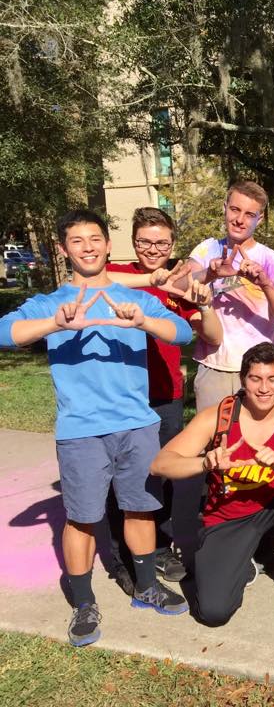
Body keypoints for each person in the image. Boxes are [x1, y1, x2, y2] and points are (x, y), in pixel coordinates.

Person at [0, 209, 193, 646]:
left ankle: (146, 587)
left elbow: (181, 333)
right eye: (77, 240)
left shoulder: (132, 297)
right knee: (83, 519)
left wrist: (142, 321)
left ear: (108, 245)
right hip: (81, 429)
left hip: (137, 424)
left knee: (140, 509)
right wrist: (57, 324)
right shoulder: (52, 302)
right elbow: (4, 332)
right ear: (66, 248)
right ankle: (84, 603)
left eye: (94, 239)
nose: (87, 247)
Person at [151, 343, 274, 624]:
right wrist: (205, 463)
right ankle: (242, 553)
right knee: (213, 613)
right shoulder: (218, 416)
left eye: (272, 379)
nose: (264, 388)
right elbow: (160, 464)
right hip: (229, 517)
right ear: (242, 380)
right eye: (255, 378)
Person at [104, 206, 222, 591]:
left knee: (164, 471)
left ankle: (160, 542)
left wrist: (203, 301)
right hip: (122, 395)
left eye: (162, 243)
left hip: (166, 393)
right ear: (133, 243)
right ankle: (128, 551)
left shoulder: (180, 280)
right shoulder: (119, 275)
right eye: (145, 242)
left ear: (172, 244)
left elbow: (214, 336)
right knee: (122, 474)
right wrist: (147, 279)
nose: (153, 249)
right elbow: (96, 278)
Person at [185, 180, 274, 411]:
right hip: (214, 366)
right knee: (213, 440)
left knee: (258, 442)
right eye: (235, 210)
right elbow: (177, 287)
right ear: (224, 207)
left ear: (260, 219)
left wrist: (265, 283)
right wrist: (210, 273)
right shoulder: (207, 249)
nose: (239, 219)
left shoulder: (271, 259)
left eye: (249, 214)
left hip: (259, 371)